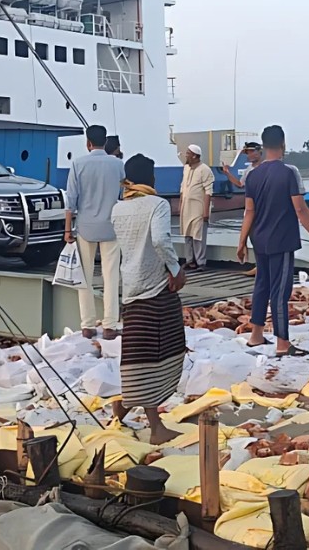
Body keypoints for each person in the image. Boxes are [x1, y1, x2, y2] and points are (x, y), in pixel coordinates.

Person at [109, 154, 186, 445]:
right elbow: (160, 241)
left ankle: (126, 404)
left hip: (130, 287)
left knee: (138, 351)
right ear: (149, 178)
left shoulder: (118, 208)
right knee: (157, 351)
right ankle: (155, 427)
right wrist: (176, 271)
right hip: (157, 288)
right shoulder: (158, 205)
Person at [237, 126, 309, 356]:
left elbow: (249, 211)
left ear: (263, 146)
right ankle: (282, 342)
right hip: (282, 239)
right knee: (280, 290)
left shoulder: (252, 175)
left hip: (259, 239)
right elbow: (300, 208)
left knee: (262, 284)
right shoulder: (289, 172)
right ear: (283, 144)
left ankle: (256, 335)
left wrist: (241, 242)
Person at [64, 124, 125, 339]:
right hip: (112, 226)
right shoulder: (118, 164)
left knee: (85, 277)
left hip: (85, 227)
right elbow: (125, 194)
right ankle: (110, 325)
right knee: (111, 275)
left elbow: (70, 200)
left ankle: (88, 325)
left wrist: (67, 229)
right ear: (105, 142)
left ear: (88, 143)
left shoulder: (78, 164)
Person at [223, 141, 264, 276]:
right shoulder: (249, 169)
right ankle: (259, 265)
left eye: (252, 151)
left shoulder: (265, 167)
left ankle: (263, 266)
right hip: (251, 207)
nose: (249, 155)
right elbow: (240, 184)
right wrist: (228, 173)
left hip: (264, 207)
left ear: (259, 151)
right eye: (248, 152)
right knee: (253, 236)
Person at [179, 144, 214, 271]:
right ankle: (190, 261)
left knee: (198, 235)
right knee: (187, 234)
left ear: (195, 156)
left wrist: (206, 211)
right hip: (186, 207)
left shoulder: (205, 170)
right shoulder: (186, 169)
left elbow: (208, 191)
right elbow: (183, 187)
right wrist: (180, 204)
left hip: (198, 208)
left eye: (188, 153)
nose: (186, 155)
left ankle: (201, 262)